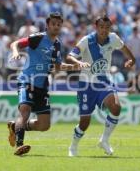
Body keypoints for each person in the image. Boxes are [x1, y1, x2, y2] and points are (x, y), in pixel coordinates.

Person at [7, 12, 83, 156]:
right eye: (53, 24)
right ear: (48, 25)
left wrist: (77, 66)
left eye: (59, 24)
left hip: (42, 86)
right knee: (25, 112)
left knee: (44, 125)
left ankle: (14, 126)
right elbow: (15, 43)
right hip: (27, 80)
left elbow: (58, 66)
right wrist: (16, 52)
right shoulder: (38, 37)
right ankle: (19, 145)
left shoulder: (57, 44)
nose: (56, 26)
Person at [67, 15, 135, 156]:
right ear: (96, 27)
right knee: (84, 122)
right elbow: (70, 56)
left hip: (104, 81)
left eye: (107, 27)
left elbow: (125, 50)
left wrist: (131, 59)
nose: (104, 30)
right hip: (86, 84)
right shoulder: (87, 41)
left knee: (116, 107)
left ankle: (104, 140)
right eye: (101, 27)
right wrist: (79, 63)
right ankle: (73, 147)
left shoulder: (114, 38)